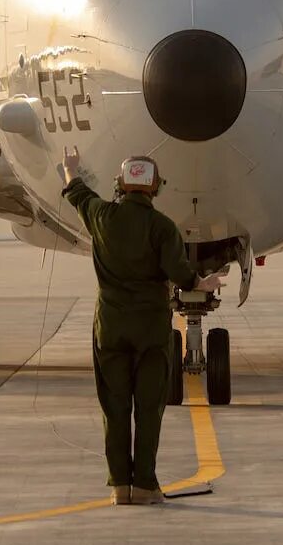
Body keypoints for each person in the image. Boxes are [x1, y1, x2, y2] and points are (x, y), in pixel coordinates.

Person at [60, 147, 219, 505]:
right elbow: (181, 275)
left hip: (111, 327)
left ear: (120, 184)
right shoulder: (163, 228)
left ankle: (120, 487)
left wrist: (71, 169)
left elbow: (77, 194)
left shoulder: (102, 216)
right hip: (150, 329)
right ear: (155, 188)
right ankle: (146, 485)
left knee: (114, 409)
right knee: (149, 409)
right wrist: (202, 283)